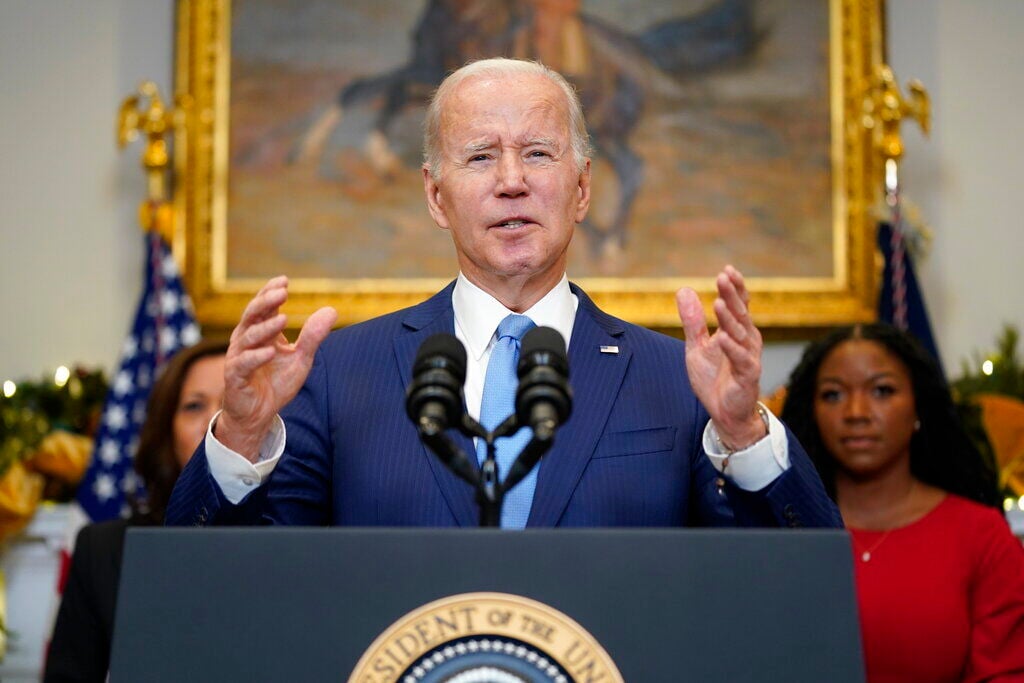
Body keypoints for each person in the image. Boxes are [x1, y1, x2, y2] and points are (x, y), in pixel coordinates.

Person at [166, 58, 840, 529]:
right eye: (481, 156)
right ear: (436, 195)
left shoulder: (678, 380)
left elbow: (793, 582)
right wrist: (241, 437)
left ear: (581, 190)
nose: (512, 181)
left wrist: (744, 433)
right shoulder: (338, 374)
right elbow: (226, 583)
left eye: (539, 154)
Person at [781, 324, 1024, 683]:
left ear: (918, 408)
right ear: (811, 411)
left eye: (882, 390)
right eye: (833, 395)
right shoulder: (781, 527)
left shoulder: (982, 535)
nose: (857, 412)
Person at [44, 339, 228, 683]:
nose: (213, 421)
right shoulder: (103, 549)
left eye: (234, 403)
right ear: (164, 430)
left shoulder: (300, 535)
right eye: (193, 406)